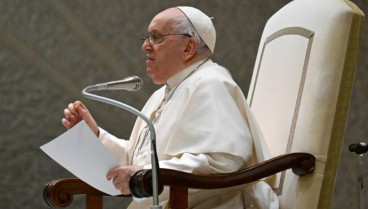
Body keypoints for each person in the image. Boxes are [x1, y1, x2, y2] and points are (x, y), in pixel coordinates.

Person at [62, 6, 279, 209]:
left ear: (188, 47)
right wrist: (97, 135)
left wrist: (146, 175)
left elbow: (221, 162)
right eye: (147, 37)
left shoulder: (211, 84)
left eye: (156, 37)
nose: (145, 46)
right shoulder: (161, 95)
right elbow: (136, 162)